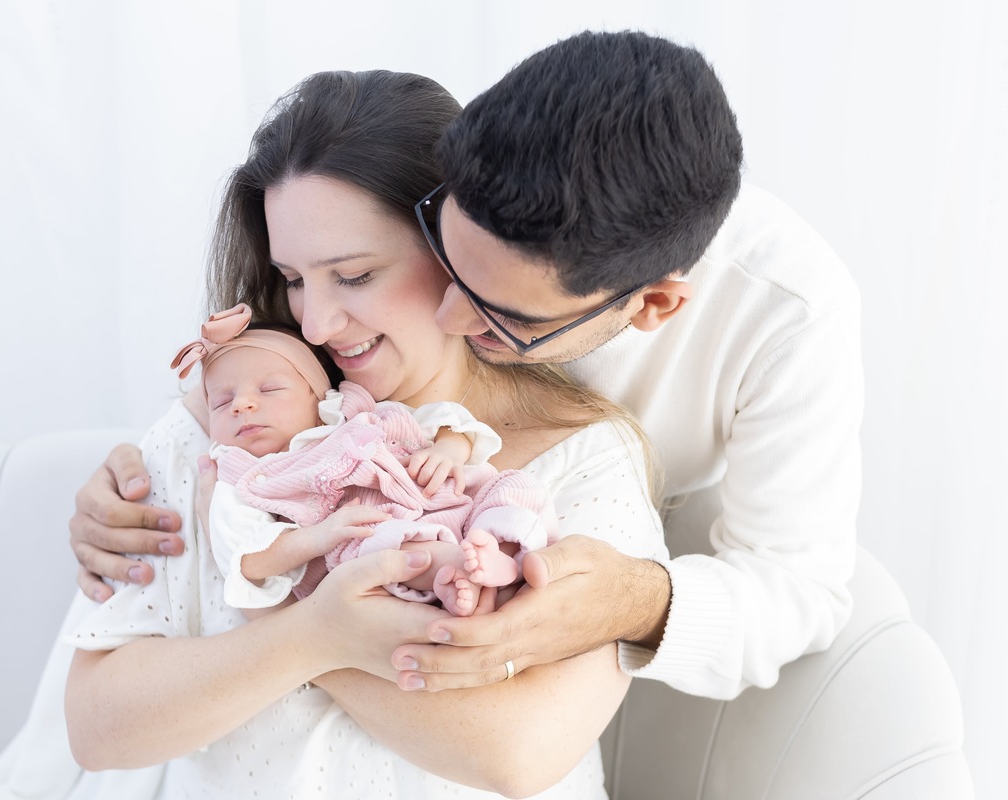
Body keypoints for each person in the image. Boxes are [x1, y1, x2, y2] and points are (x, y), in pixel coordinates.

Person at [71, 29, 862, 704]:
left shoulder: (785, 314)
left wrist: (633, 598)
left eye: (501, 317)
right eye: (446, 258)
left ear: (651, 308)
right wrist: (165, 460)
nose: (449, 316)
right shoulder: (502, 157)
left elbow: (797, 587)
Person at [55, 67, 667, 800]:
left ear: (458, 253)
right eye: (293, 278)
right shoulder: (227, 425)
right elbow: (97, 725)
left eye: (353, 275)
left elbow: (520, 752)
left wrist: (298, 613)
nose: (315, 324)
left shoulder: (577, 455)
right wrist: (316, 633)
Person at [172, 303, 557, 616]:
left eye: (270, 389)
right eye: (222, 403)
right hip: (364, 543)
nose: (242, 405)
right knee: (382, 546)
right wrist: (318, 537)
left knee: (512, 485)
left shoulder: (353, 410)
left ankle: (502, 548)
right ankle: (459, 569)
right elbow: (248, 560)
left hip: (446, 502)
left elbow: (446, 420)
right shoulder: (240, 482)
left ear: (317, 393)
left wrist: (447, 449)